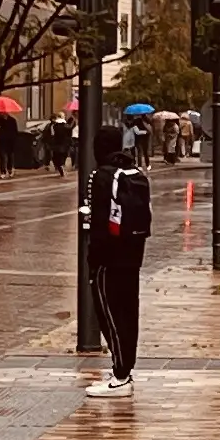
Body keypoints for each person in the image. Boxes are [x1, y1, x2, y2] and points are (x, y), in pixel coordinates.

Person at [84, 121, 149, 394]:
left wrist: (93, 258)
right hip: (132, 254)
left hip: (108, 259)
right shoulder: (132, 171)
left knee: (109, 313)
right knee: (128, 312)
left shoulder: (101, 176)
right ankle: (125, 369)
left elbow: (99, 220)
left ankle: (120, 373)